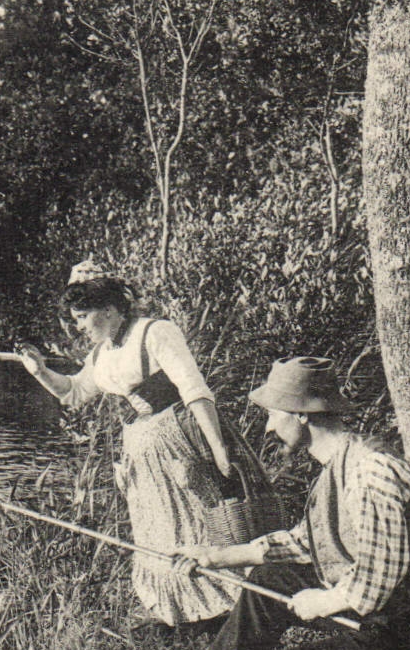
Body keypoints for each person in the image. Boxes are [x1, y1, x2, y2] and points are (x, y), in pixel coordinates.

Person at [176, 356, 410, 650]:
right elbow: (305, 542)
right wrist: (216, 556)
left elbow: (381, 577)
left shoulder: (369, 471)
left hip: (409, 626)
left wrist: (324, 600)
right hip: (377, 610)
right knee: (270, 577)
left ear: (301, 414)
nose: (270, 428)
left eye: (274, 414)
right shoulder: (338, 465)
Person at [15, 260, 276, 627]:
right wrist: (39, 370)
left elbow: (194, 389)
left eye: (83, 316)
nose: (79, 326)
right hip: (143, 454)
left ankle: (243, 614)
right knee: (164, 530)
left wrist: (219, 448)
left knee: (209, 525)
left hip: (183, 443)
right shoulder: (101, 355)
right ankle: (194, 619)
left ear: (108, 309)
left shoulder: (156, 332)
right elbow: (73, 393)